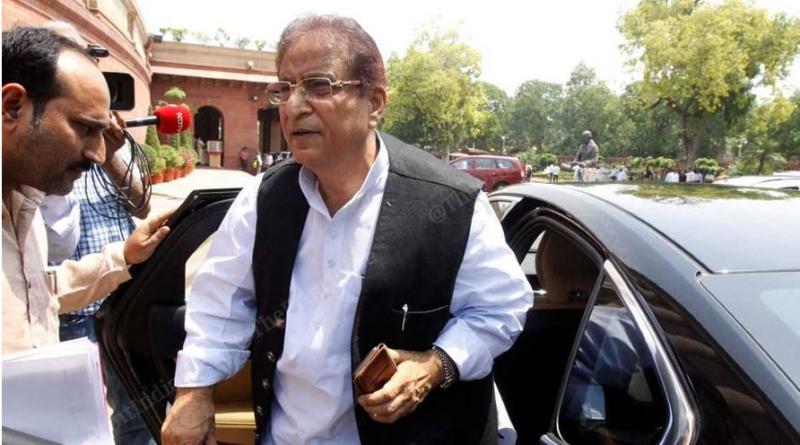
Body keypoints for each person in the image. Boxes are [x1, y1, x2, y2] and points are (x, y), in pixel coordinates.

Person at [162, 15, 532, 445]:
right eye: (284, 88)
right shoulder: (263, 199)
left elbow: (501, 307)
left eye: (318, 86)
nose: (293, 106)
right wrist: (195, 393)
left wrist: (434, 365)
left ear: (374, 103)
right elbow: (221, 307)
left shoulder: (450, 203)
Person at [2, 27, 172, 354]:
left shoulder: (24, 202)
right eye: (84, 128)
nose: (98, 154)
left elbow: (34, 292)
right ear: (12, 106)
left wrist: (123, 257)